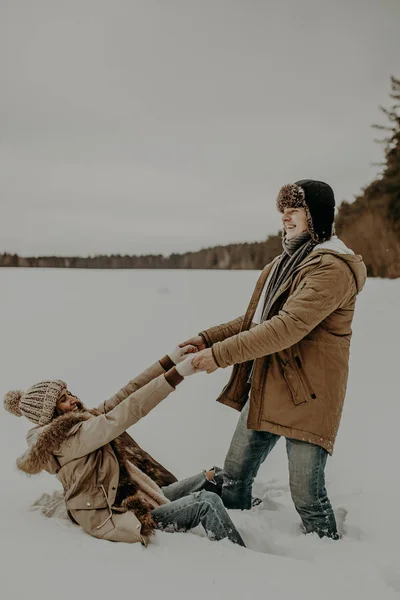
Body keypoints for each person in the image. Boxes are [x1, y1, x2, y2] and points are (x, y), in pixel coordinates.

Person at [182, 180, 367, 540]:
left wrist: (218, 356)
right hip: (269, 385)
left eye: (295, 209)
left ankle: (333, 563)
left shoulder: (332, 268)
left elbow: (286, 328)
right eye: (283, 209)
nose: (285, 216)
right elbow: (254, 321)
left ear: (316, 217)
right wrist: (207, 338)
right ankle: (236, 550)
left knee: (307, 497)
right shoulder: (280, 265)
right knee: (233, 479)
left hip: (311, 395)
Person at [3, 345, 245, 547]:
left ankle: (253, 514)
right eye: (63, 400)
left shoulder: (83, 424)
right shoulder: (69, 441)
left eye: (69, 393)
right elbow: (127, 411)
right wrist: (177, 375)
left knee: (215, 476)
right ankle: (242, 562)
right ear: (50, 414)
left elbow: (126, 394)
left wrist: (170, 361)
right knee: (206, 502)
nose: (74, 400)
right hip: (122, 511)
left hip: (138, 491)